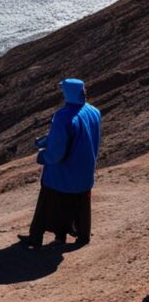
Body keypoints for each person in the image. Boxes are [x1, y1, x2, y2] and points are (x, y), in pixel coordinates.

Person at [20, 79, 101, 249]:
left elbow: (56, 153)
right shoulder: (94, 112)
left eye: (63, 90)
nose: (61, 93)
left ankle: (35, 238)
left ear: (68, 93)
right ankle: (82, 236)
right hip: (85, 172)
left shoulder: (63, 116)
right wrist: (46, 141)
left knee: (45, 204)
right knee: (81, 205)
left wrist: (42, 156)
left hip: (61, 175)